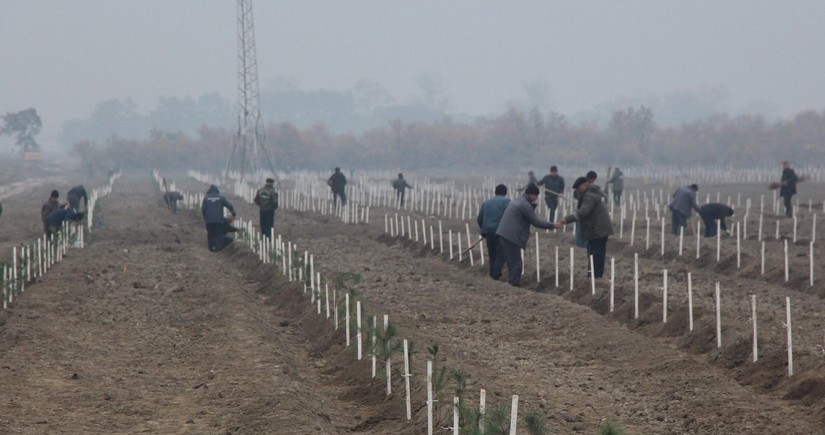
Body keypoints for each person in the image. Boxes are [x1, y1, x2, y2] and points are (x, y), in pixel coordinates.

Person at [495, 184, 555, 287]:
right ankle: (514, 284)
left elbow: (517, 220)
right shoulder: (525, 205)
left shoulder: (517, 201)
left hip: (504, 234)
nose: (536, 199)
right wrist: (552, 225)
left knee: (511, 262)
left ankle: (512, 282)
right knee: (517, 263)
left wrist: (525, 230)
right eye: (536, 196)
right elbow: (536, 222)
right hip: (510, 236)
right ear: (531, 195)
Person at [555, 177, 614, 278]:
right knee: (593, 253)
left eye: (579, 189)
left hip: (598, 229)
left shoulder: (589, 197)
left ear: (584, 186)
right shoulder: (590, 194)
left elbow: (583, 212)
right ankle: (592, 275)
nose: (578, 191)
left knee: (597, 254)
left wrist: (567, 219)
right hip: (595, 229)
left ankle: (596, 276)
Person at [476, 184, 510, 281]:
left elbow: (479, 218)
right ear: (505, 192)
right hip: (501, 231)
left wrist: (484, 229)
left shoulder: (486, 203)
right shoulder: (508, 202)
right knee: (501, 253)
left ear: (495, 192)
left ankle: (492, 274)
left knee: (492, 253)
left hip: (488, 231)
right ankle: (496, 273)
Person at [201, 185, 237, 252]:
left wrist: (205, 218)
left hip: (209, 221)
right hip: (218, 221)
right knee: (218, 235)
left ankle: (211, 248)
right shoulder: (221, 198)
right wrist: (233, 213)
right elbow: (229, 206)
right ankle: (218, 249)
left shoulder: (206, 198)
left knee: (210, 234)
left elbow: (203, 210)